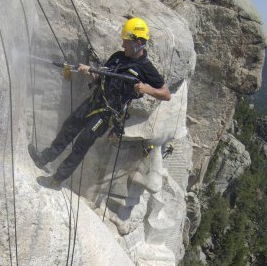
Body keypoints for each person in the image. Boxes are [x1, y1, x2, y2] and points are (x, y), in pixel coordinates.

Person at [28, 17, 171, 189]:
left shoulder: (146, 68)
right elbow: (100, 77)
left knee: (82, 143)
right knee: (69, 127)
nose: (123, 45)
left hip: (107, 113)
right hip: (95, 100)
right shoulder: (118, 57)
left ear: (138, 42)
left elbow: (166, 94)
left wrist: (147, 89)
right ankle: (43, 158)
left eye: (126, 42)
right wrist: (88, 72)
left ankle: (57, 179)